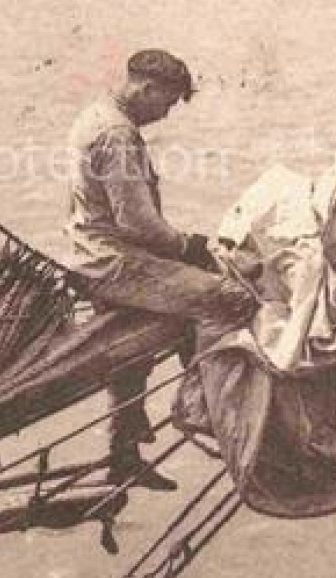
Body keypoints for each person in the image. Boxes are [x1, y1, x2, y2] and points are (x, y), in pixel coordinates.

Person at [65, 49, 258, 490]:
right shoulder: (117, 135)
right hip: (114, 263)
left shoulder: (95, 115)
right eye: (166, 103)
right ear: (146, 88)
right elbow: (135, 220)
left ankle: (123, 453)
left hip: (90, 253)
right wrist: (190, 245)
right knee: (231, 297)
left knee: (129, 354)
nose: (166, 114)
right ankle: (199, 406)